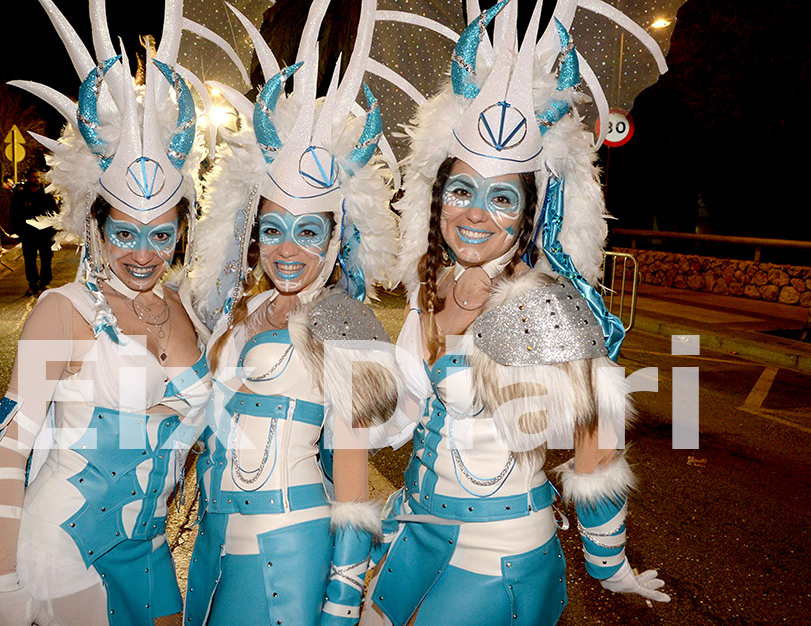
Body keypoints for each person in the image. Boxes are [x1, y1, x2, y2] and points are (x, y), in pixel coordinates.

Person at [363, 2, 672, 624]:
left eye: (501, 197)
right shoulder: (434, 285)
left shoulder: (542, 304)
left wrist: (609, 563)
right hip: (417, 528)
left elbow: (597, 440)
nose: (475, 213)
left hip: (496, 548)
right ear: (437, 199)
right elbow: (407, 413)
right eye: (461, 191)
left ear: (529, 215)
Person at [0, 1, 215, 624]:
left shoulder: (185, 309)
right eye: (125, 233)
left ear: (181, 233)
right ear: (96, 228)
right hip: (61, 555)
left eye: (161, 235)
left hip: (149, 550)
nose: (143, 254)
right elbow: (11, 449)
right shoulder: (63, 312)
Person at [184, 2, 402, 624]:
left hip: (290, 550)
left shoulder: (345, 324)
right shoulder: (242, 309)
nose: (288, 250)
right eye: (273, 228)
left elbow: (354, 488)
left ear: (335, 240)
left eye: (309, 232)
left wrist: (341, 602)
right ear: (252, 233)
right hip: (216, 545)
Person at [11, 168, 57, 296]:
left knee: (46, 259)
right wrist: (19, 231)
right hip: (28, 234)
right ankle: (33, 283)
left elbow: (54, 213)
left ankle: (45, 282)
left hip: (45, 234)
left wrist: (53, 230)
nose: (36, 180)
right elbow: (14, 214)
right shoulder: (21, 197)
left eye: (37, 177)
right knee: (30, 260)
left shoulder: (47, 196)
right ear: (28, 179)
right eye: (33, 177)